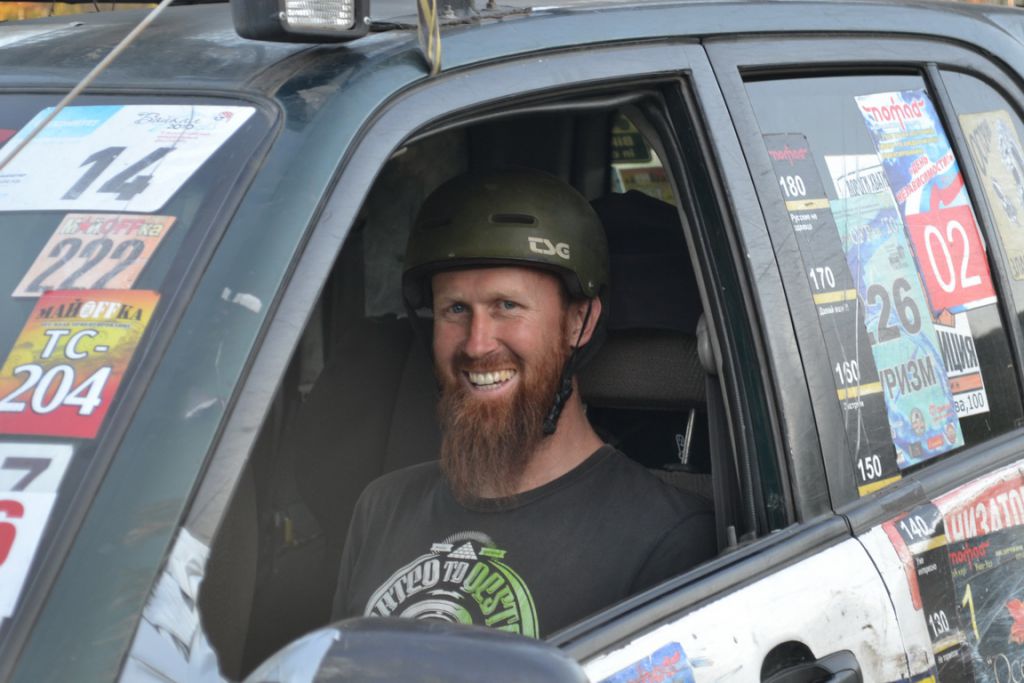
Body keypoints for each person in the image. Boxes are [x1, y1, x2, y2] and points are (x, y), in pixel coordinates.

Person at [330, 169, 715, 638]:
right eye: (455, 309)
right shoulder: (383, 507)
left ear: (579, 321)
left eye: (507, 306)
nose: (476, 344)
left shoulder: (666, 538)